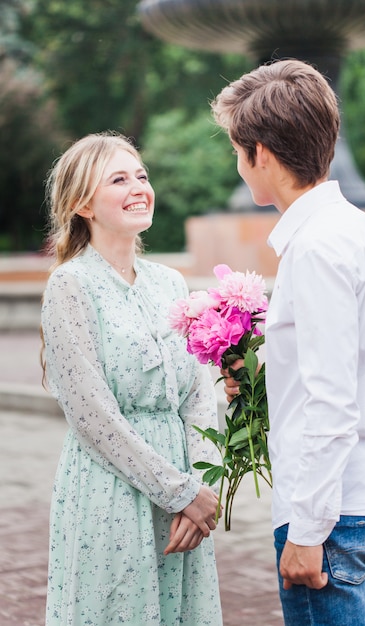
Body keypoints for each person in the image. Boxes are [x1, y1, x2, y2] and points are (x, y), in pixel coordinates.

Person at [211, 59, 365, 625]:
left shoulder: (316, 247)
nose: (239, 163)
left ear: (262, 155)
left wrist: (308, 529)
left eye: (236, 150)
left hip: (335, 514)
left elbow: (332, 399)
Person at [40, 131, 223, 625]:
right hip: (111, 493)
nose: (138, 187)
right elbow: (92, 416)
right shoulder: (70, 286)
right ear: (83, 204)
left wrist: (203, 486)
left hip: (185, 493)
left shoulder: (171, 283)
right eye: (118, 179)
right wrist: (179, 492)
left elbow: (199, 397)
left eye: (141, 175)